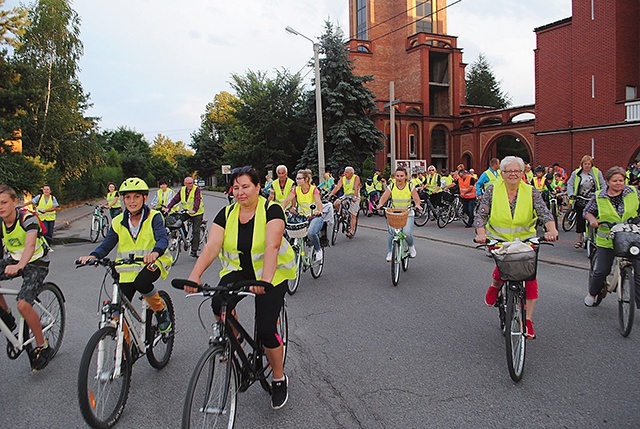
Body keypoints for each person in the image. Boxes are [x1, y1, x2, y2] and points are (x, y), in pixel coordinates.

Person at [183, 166, 295, 409]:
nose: (240, 192)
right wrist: (195, 276)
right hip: (239, 270)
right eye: (236, 187)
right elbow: (212, 246)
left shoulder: (272, 210)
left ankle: (278, 377)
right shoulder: (227, 213)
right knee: (217, 303)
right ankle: (237, 342)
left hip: (272, 273)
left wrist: (264, 281)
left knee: (266, 329)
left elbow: (272, 247)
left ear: (257, 187)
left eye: (245, 186)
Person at [474, 156, 559, 339]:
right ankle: (495, 285)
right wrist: (481, 233)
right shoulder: (492, 190)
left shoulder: (531, 191)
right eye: (508, 171)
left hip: (525, 240)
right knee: (503, 266)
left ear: (522, 173)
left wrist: (552, 230)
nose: (513, 174)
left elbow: (544, 213)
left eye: (517, 171)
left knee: (529, 275)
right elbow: (481, 215)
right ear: (502, 173)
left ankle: (527, 320)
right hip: (499, 238)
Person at [78, 178, 173, 334]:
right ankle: (125, 352)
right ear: (123, 199)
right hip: (127, 267)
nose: (132, 201)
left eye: (136, 196)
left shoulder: (154, 217)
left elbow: (162, 238)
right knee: (118, 309)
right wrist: (94, 255)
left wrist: (155, 252)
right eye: (128, 197)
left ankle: (160, 310)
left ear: (144, 197)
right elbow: (107, 244)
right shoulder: (118, 221)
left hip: (155, 261)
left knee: (142, 282)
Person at [0, 185, 53, 371]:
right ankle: (7, 318)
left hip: (36, 262)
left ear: (15, 202)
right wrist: (14, 263)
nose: (1, 207)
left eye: (4, 202)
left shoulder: (27, 218)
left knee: (23, 304)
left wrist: (20, 265)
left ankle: (42, 345)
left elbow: (30, 245)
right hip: (14, 260)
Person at [583, 166, 640, 307]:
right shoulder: (599, 196)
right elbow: (587, 211)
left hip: (630, 237)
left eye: (621, 180)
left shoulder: (633, 192)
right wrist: (592, 220)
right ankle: (592, 293)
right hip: (608, 240)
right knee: (602, 270)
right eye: (615, 180)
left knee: (638, 272)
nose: (619, 183)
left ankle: (638, 304)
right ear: (607, 182)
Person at [376, 167, 423, 261]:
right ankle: (390, 252)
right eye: (397, 176)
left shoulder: (410, 186)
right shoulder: (392, 186)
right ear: (394, 176)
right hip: (394, 213)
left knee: (406, 233)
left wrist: (417, 205)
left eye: (402, 176)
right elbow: (384, 197)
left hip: (407, 213)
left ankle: (410, 246)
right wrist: (380, 204)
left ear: (405, 177)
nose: (399, 178)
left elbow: (416, 198)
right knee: (391, 232)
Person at [283, 169, 325, 260]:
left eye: (299, 179)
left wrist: (320, 211)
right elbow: (287, 200)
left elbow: (318, 202)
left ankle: (318, 250)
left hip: (315, 217)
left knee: (311, 233)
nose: (297, 180)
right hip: (302, 217)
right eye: (296, 178)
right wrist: (281, 209)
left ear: (306, 179)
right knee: (290, 231)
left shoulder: (313, 189)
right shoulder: (296, 189)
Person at [566, 155, 605, 249]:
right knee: (580, 220)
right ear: (582, 164)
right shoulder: (576, 173)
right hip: (580, 199)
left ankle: (595, 238)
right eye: (585, 164)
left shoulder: (597, 172)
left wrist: (603, 194)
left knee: (594, 219)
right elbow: (570, 184)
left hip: (593, 199)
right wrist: (571, 194)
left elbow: (602, 184)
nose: (587, 166)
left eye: (589, 164)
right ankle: (579, 240)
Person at [164, 176, 205, 257]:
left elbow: (197, 200)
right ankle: (184, 235)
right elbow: (176, 199)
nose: (191, 184)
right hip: (187, 212)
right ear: (185, 183)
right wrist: (168, 207)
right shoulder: (182, 190)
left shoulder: (196, 189)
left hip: (197, 213)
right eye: (189, 183)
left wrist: (194, 210)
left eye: (192, 183)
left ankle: (194, 250)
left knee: (195, 231)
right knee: (177, 220)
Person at [328, 166, 361, 238]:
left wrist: (355, 196)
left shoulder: (356, 177)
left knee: (353, 214)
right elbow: (337, 187)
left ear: (351, 173)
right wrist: (331, 194)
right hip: (346, 195)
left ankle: (351, 231)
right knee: (336, 203)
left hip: (354, 195)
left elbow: (356, 187)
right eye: (345, 172)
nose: (345, 173)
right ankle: (343, 214)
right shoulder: (343, 178)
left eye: (347, 172)